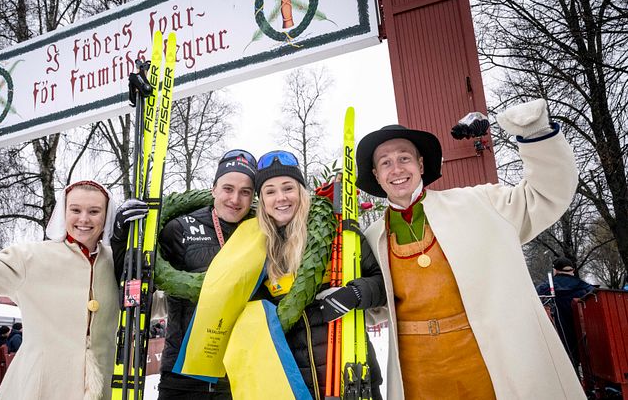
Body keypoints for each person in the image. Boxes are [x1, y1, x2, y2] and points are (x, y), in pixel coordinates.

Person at [355, 99, 585, 399]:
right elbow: (378, 307)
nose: (396, 168)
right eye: (385, 162)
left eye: (404, 158)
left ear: (421, 164)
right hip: (418, 376)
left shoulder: (479, 204)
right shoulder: (372, 238)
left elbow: (544, 195)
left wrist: (534, 133)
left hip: (486, 367)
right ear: (375, 174)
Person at [0, 175, 122, 399]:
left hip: (106, 389)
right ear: (63, 212)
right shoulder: (31, 258)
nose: (83, 219)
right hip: (39, 389)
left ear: (107, 216)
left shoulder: (119, 261)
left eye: (94, 211)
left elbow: (152, 307)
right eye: (75, 210)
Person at [111, 149, 258, 399]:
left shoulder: (261, 232)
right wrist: (121, 237)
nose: (235, 199)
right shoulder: (179, 228)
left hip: (238, 372)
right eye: (228, 188)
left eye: (245, 192)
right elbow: (133, 287)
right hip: (183, 374)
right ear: (213, 189)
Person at [249, 150, 386, 399]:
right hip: (296, 384)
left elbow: (382, 282)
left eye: (288, 187)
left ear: (301, 190)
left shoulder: (336, 230)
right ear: (262, 199)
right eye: (270, 191)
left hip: (351, 376)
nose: (281, 198)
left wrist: (355, 293)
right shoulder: (255, 250)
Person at [536, 256, 594, 370]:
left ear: (555, 270)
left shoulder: (547, 286)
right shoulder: (584, 286)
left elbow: (535, 296)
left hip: (561, 332)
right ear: (572, 270)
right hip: (585, 332)